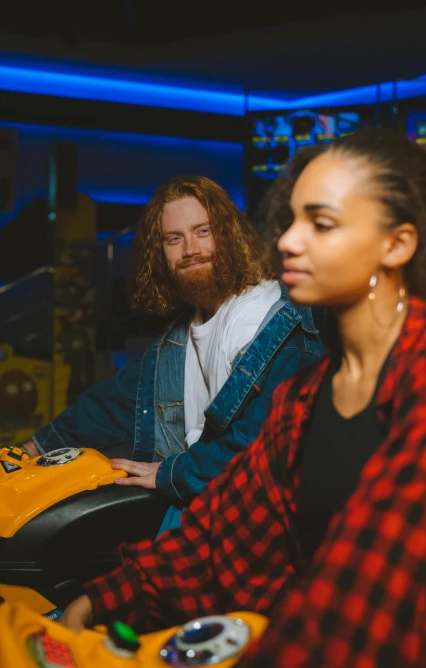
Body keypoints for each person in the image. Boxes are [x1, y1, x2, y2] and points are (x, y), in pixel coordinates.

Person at [60, 130, 426, 668]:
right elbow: (223, 535)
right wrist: (106, 596)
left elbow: (380, 593)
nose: (288, 240)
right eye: (292, 219)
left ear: (397, 244)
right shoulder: (306, 396)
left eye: (321, 224)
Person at [24, 175, 322, 531]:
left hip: (259, 516)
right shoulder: (179, 336)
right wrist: (33, 448)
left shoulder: (273, 323)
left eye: (203, 231)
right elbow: (114, 402)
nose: (190, 249)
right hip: (199, 502)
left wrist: (173, 474)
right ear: (160, 253)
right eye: (174, 239)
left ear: (230, 235)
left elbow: (261, 445)